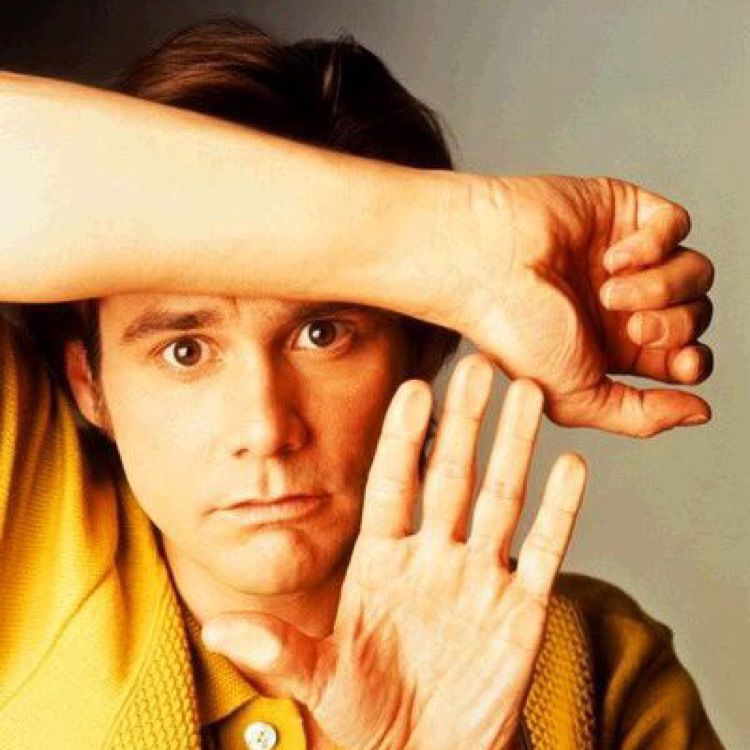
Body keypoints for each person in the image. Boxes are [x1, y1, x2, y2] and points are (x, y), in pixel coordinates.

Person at [0, 15, 721, 750]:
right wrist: (456, 236)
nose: (266, 428)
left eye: (322, 334)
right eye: (185, 351)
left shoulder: (603, 668)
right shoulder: (24, 528)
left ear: (419, 347)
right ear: (88, 382)